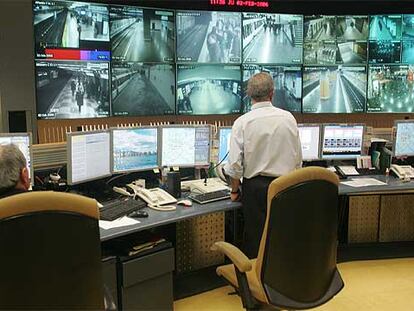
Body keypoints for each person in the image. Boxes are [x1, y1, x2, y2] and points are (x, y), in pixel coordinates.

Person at [224, 72, 302, 258]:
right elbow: (298, 159)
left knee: (257, 238)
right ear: (272, 93)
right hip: (286, 186)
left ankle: (256, 280)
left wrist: (235, 191)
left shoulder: (242, 123)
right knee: (283, 235)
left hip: (256, 190)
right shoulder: (288, 118)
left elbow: (235, 166)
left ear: (249, 96)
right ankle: (282, 279)